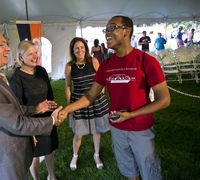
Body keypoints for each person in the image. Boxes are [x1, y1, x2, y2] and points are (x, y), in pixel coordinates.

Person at [59, 16, 170, 180]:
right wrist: (66, 109)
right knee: (130, 173)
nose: (107, 33)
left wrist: (131, 115)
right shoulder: (106, 65)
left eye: (112, 28)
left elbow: (164, 99)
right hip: (117, 128)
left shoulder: (147, 61)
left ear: (127, 31)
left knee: (150, 173)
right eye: (106, 29)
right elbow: (90, 96)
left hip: (140, 128)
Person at [0, 27, 64, 180]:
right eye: (2, 44)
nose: (8, 48)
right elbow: (17, 123)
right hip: (4, 162)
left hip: (12, 157)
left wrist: (35, 108)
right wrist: (52, 120)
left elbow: (12, 111)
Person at [9, 40, 58, 180]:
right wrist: (28, 131)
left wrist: (53, 113)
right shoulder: (17, 79)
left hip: (48, 119)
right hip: (31, 122)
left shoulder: (41, 71)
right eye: (30, 53)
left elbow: (49, 94)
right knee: (34, 156)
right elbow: (17, 109)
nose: (35, 56)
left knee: (49, 150)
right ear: (21, 57)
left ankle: (51, 176)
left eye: (35, 52)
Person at [65, 37, 110, 171]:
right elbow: (68, 87)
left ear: (86, 48)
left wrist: (100, 93)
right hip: (78, 101)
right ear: (73, 51)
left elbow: (102, 80)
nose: (80, 50)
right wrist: (69, 108)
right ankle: (75, 155)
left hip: (96, 101)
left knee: (97, 130)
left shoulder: (94, 61)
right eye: (76, 48)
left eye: (82, 47)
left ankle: (96, 155)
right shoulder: (69, 66)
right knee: (78, 134)